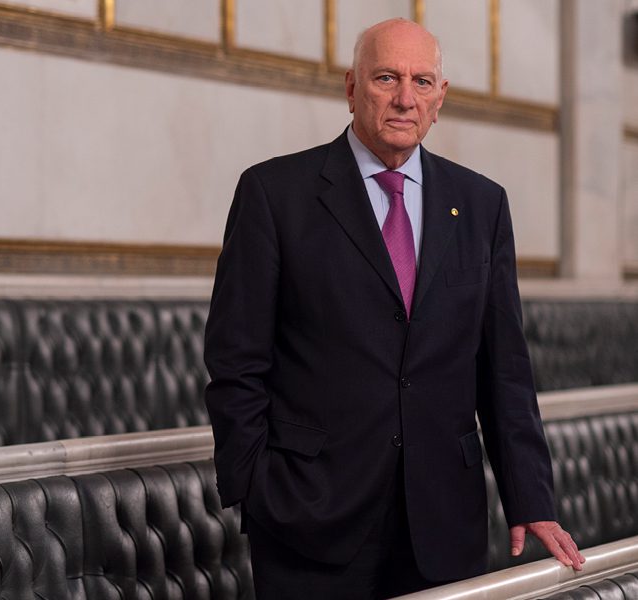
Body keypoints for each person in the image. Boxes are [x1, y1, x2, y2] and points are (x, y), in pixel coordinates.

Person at [203, 18, 585, 600]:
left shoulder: (481, 204)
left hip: (444, 520)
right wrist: (256, 485)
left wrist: (530, 498)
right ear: (351, 87)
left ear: (440, 97)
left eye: (422, 81)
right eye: (386, 78)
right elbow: (235, 360)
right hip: (308, 517)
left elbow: (504, 369)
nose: (406, 98)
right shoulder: (274, 193)